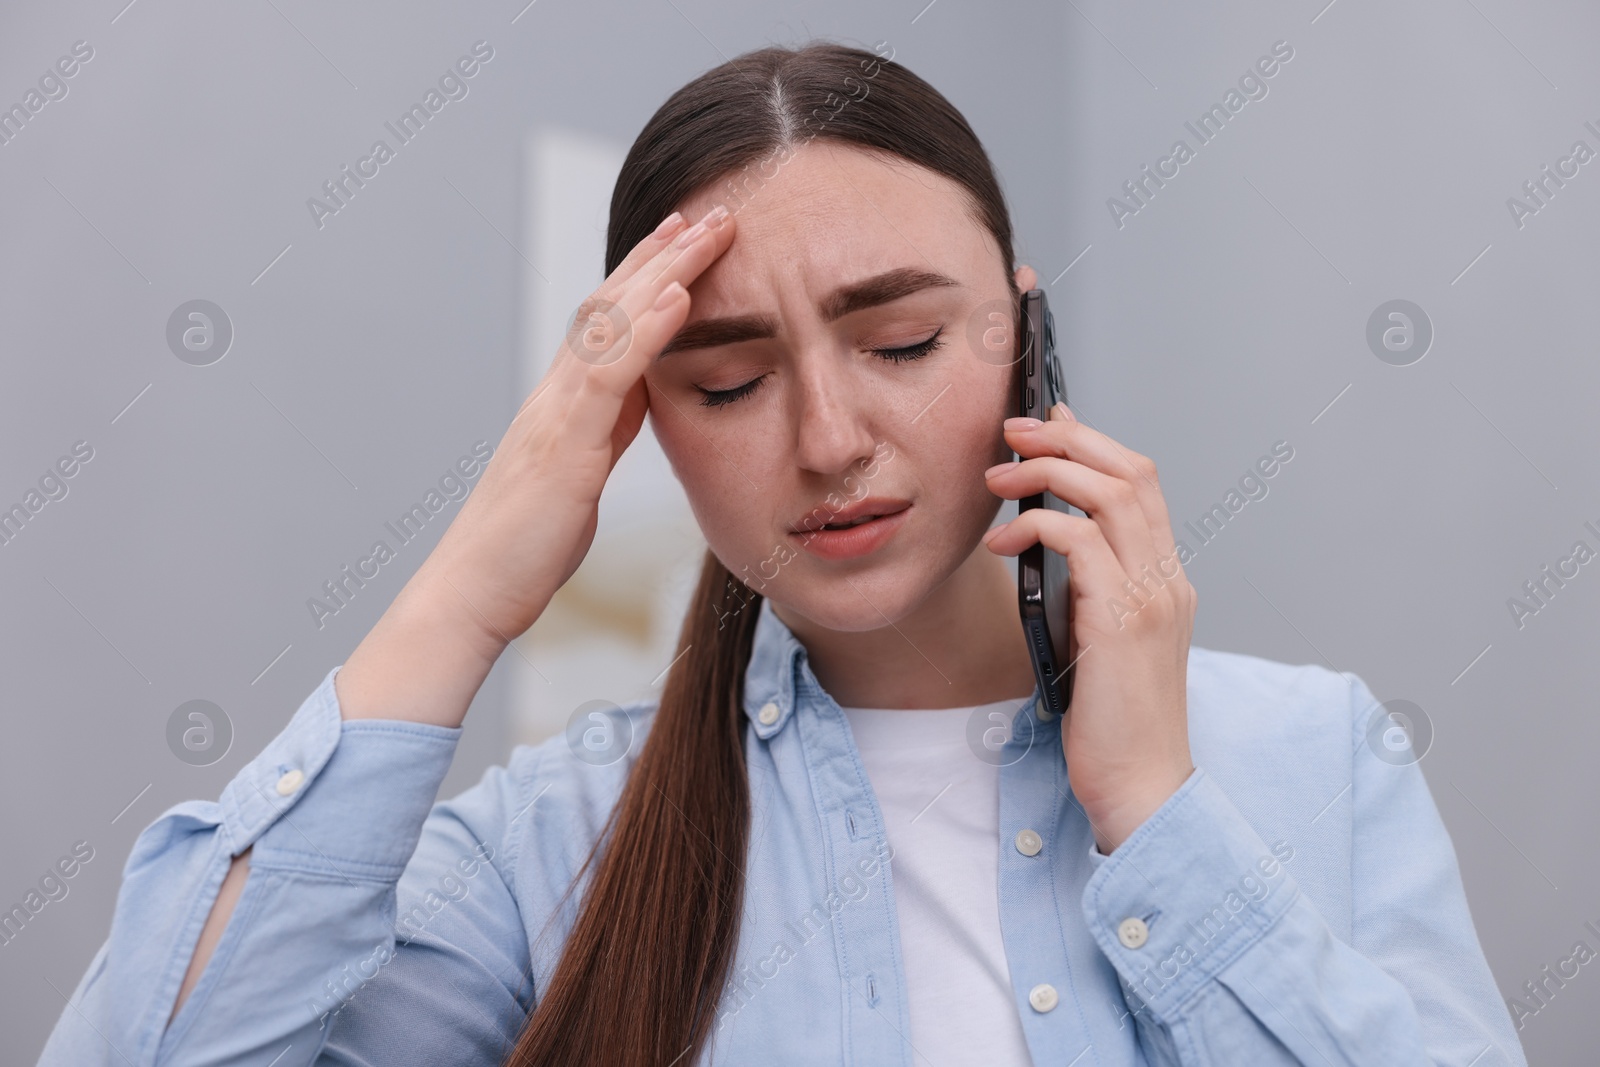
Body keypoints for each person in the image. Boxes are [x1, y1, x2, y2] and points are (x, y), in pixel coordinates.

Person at [39, 41, 1524, 1067]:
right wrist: (469, 590)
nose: (826, 438)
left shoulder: (1315, 757)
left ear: (1025, 334)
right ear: (642, 422)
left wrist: (1156, 811)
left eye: (901, 341)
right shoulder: (558, 847)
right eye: (728, 384)